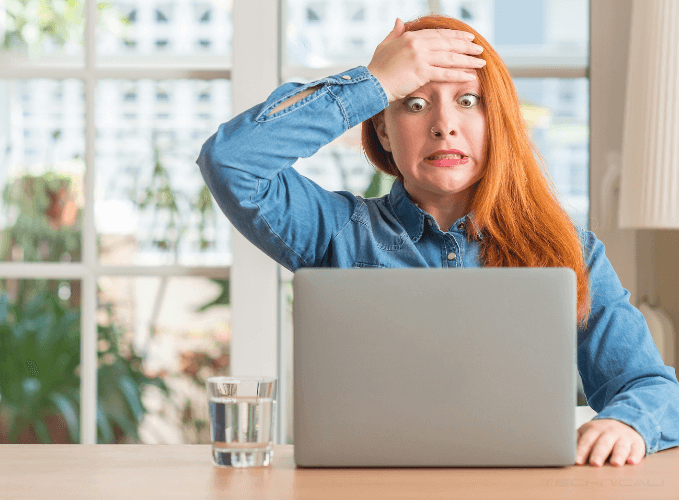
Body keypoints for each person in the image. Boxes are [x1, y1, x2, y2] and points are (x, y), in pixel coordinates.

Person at [197, 14, 679, 467]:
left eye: (468, 101)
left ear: (496, 123)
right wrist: (375, 82)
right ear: (383, 130)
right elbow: (231, 161)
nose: (444, 124)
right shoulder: (337, 231)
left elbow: (651, 387)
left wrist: (627, 423)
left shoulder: (571, 252)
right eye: (414, 102)